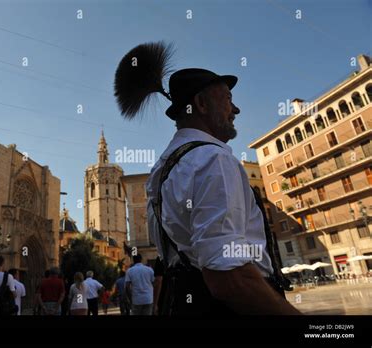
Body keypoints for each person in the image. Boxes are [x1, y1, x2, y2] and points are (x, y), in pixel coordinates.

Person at [114, 42, 301, 315]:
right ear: (201, 104)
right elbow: (231, 280)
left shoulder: (161, 172)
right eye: (227, 98)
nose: (235, 110)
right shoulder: (214, 160)